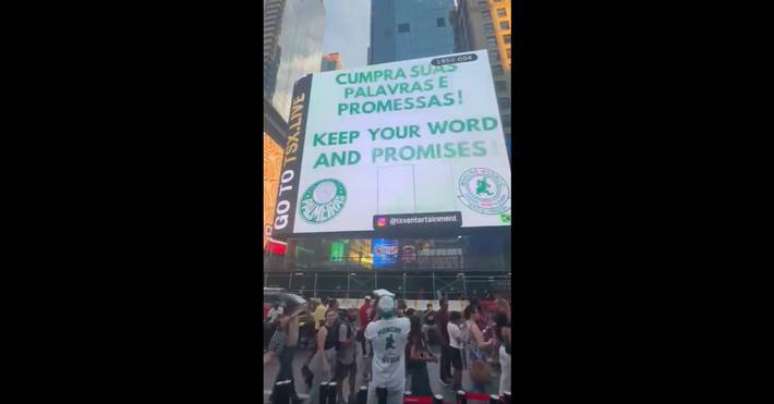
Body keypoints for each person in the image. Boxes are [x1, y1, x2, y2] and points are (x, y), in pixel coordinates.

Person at [364, 294, 410, 404]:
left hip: (378, 378)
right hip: (397, 379)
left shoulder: (372, 327)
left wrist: (377, 313)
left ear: (379, 310)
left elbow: (368, 336)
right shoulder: (405, 323)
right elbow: (402, 316)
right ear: (394, 308)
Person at [264, 312, 303, 404]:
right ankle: (291, 397)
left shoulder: (295, 315)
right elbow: (282, 323)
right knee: (286, 374)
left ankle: (276, 395)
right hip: (286, 348)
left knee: (286, 373)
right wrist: (293, 315)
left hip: (291, 347)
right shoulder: (287, 315)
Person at [307, 308, 339, 404]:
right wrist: (324, 362)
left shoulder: (334, 327)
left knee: (326, 382)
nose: (331, 317)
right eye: (329, 315)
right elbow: (320, 348)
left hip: (330, 356)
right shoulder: (323, 329)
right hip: (322, 357)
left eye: (333, 315)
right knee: (317, 383)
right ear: (326, 317)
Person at [462, 303, 496, 393]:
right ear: (472, 314)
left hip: (470, 355)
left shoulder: (466, 324)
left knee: (475, 378)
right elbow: (481, 344)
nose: (479, 314)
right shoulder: (473, 326)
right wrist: (490, 342)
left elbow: (467, 339)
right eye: (477, 312)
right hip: (478, 356)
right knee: (480, 380)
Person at [406, 315, 437, 396]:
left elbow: (421, 350)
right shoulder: (414, 336)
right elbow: (413, 355)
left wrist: (429, 355)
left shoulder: (419, 334)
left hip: (419, 366)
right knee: (420, 389)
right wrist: (429, 358)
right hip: (417, 367)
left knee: (422, 387)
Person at [335, 309, 357, 404]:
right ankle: (340, 397)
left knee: (352, 376)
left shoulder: (350, 324)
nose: (355, 314)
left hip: (351, 355)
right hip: (344, 356)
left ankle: (351, 395)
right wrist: (353, 337)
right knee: (340, 378)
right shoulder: (344, 326)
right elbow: (342, 342)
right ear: (347, 315)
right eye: (352, 312)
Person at [494, 313, 511, 396]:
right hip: (508, 352)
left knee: (505, 376)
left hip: (503, 349)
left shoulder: (503, 327)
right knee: (507, 376)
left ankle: (502, 395)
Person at [446, 311, 464, 391]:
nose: (460, 320)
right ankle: (457, 385)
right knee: (459, 369)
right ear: (456, 319)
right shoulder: (455, 328)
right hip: (456, 348)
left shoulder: (449, 324)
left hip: (451, 347)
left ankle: (455, 385)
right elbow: (459, 340)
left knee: (456, 368)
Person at [436, 297, 451, 385]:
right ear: (441, 304)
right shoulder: (438, 314)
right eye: (446, 303)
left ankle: (448, 374)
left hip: (450, 339)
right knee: (444, 359)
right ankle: (443, 377)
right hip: (444, 339)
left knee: (449, 358)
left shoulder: (447, 313)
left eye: (447, 303)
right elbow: (438, 328)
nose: (447, 305)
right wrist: (442, 340)